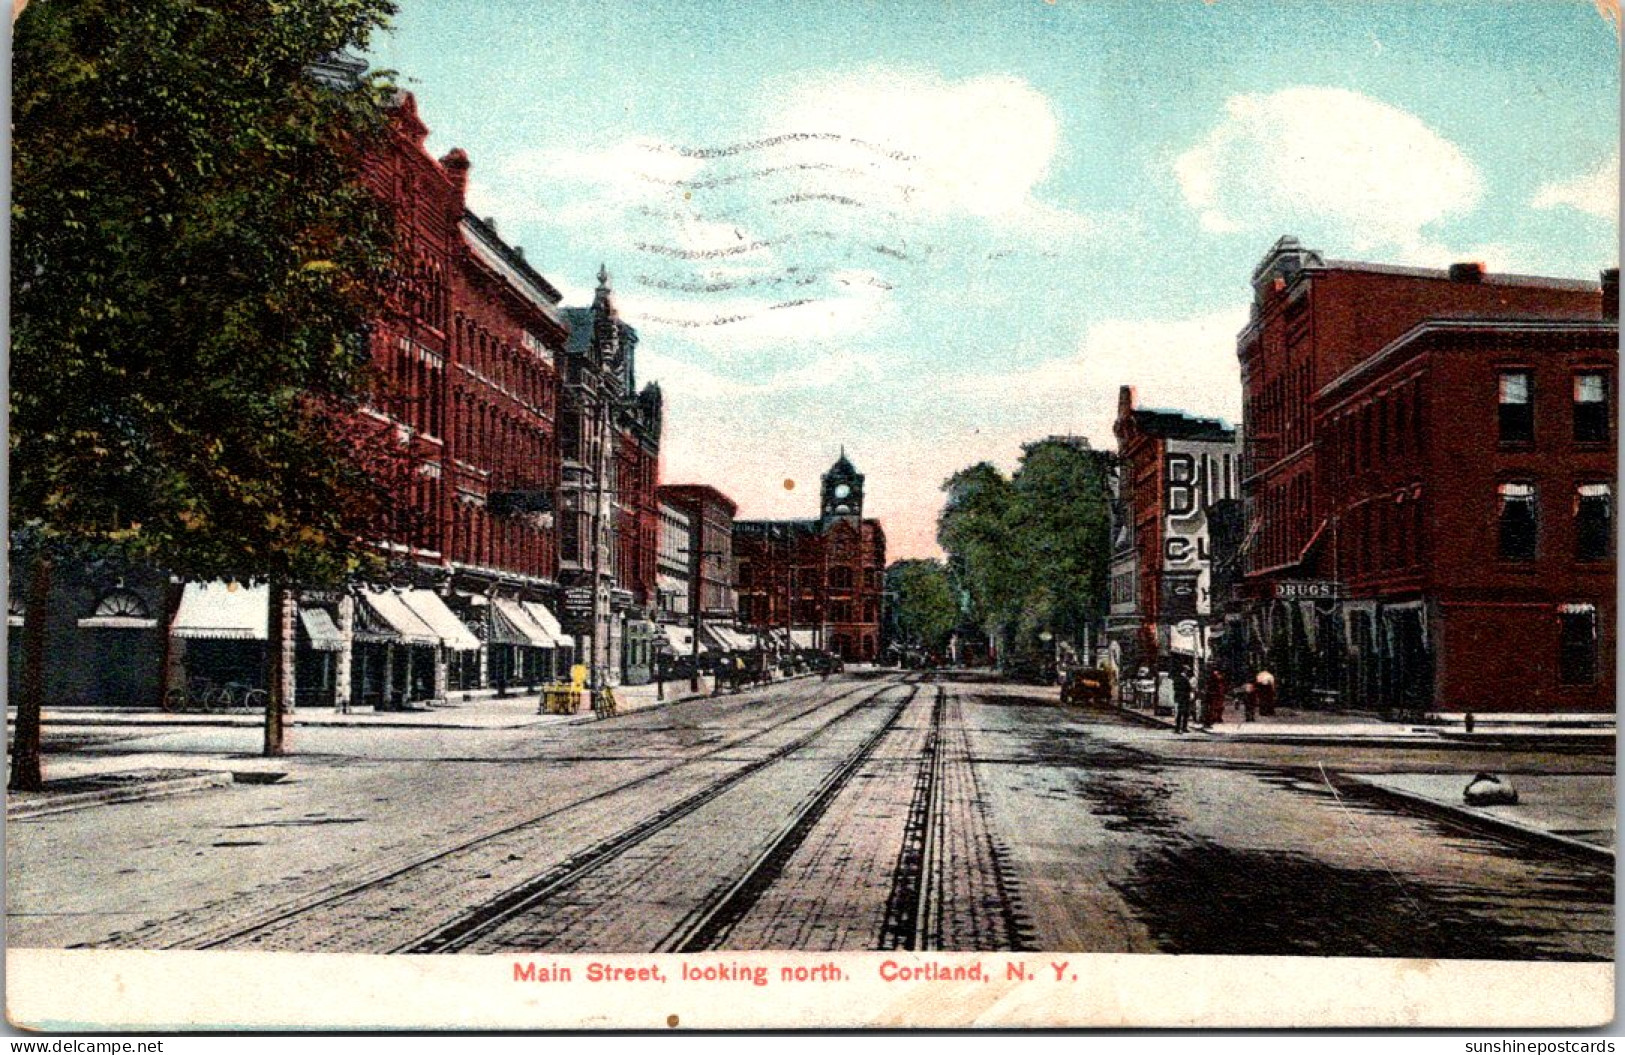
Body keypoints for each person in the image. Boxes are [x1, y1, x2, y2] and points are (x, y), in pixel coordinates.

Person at [1172, 667, 1194, 733]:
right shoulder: (1182, 678)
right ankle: (1179, 728)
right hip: (1183, 697)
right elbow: (1187, 688)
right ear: (1184, 671)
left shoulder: (1180, 678)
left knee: (1184, 713)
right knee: (1181, 713)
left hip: (1182, 697)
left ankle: (1182, 727)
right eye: (1187, 671)